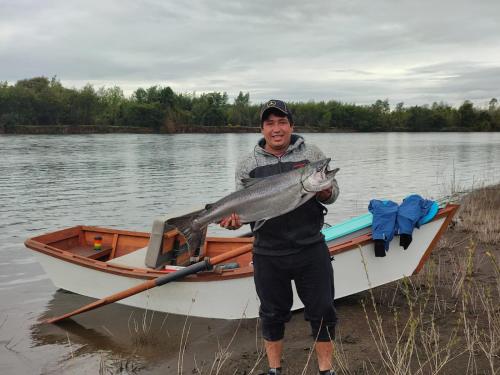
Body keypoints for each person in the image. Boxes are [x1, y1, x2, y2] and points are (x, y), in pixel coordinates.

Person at [220, 99, 339, 375]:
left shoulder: (311, 154)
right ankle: (274, 370)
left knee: (323, 310)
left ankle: (325, 370)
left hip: (310, 248)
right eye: (270, 123)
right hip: (268, 252)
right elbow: (241, 212)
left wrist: (324, 190)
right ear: (262, 128)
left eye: (282, 122)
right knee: (272, 315)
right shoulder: (247, 165)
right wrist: (231, 223)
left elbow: (333, 194)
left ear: (291, 126)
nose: (276, 129)